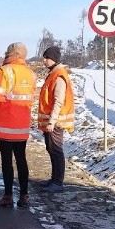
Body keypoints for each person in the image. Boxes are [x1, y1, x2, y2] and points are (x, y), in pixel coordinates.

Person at [0, 42, 36, 208]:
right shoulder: (30, 73)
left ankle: (7, 196)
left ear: (11, 54)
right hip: (22, 125)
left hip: (5, 124)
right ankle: (24, 196)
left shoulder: (5, 71)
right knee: (21, 159)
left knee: (7, 160)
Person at [38, 45, 75, 192]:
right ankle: (54, 179)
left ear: (53, 59)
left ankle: (58, 182)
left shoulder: (59, 75)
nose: (44, 61)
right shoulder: (54, 73)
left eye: (46, 58)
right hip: (52, 121)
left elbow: (58, 100)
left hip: (56, 122)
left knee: (56, 150)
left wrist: (52, 121)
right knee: (51, 149)